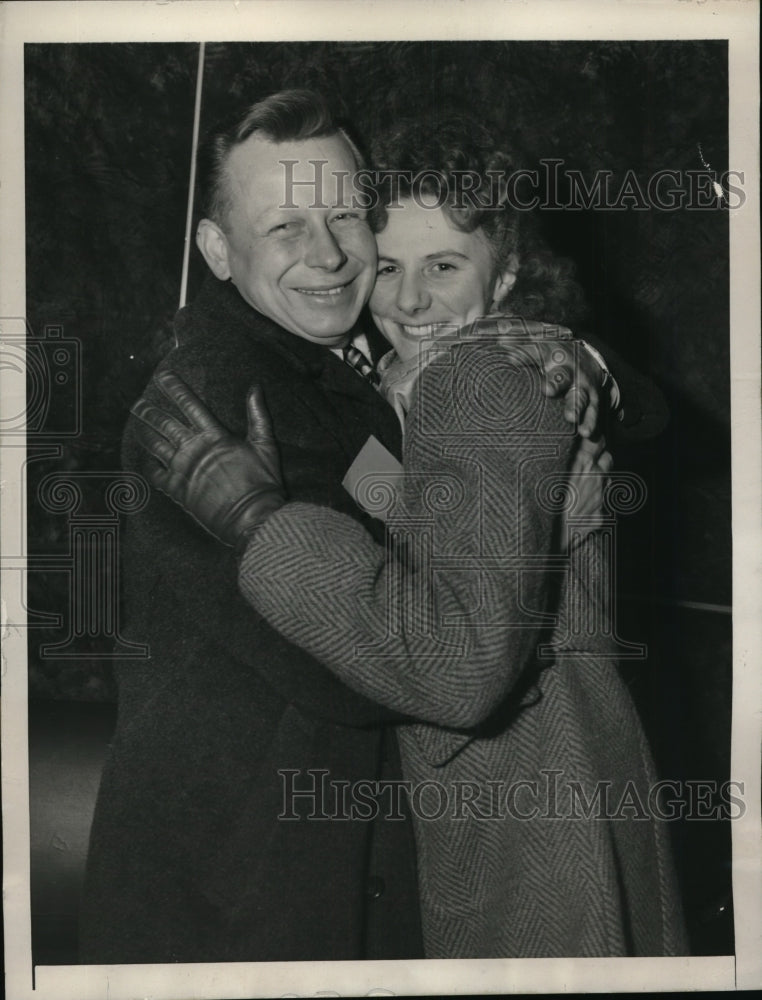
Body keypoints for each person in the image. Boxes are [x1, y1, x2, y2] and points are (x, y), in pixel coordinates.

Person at [80, 90, 667, 964]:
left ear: (505, 274)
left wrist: (583, 366)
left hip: (513, 810)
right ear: (215, 249)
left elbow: (632, 410)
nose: (331, 257)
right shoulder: (232, 400)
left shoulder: (411, 374)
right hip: (249, 894)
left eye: (346, 219)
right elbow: (417, 654)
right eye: (286, 228)